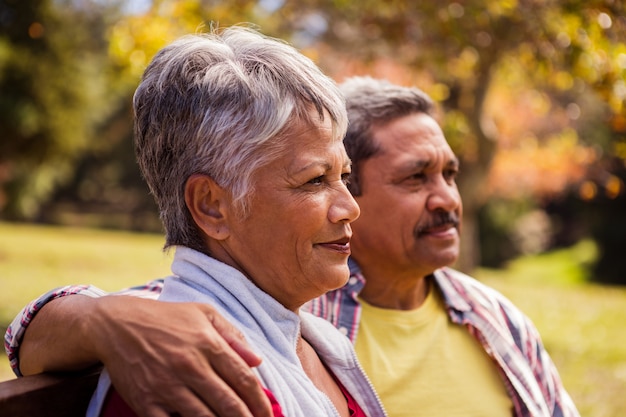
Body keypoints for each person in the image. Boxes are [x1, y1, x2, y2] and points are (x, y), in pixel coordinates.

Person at [5, 75, 580, 417]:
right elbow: (166, 307)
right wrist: (101, 318)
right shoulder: (276, 307)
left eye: (450, 174)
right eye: (415, 177)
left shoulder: (494, 317)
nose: (447, 199)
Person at [15, 25, 388, 417]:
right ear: (211, 207)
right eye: (314, 180)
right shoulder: (191, 375)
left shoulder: (302, 333)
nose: (349, 207)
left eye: (343, 177)